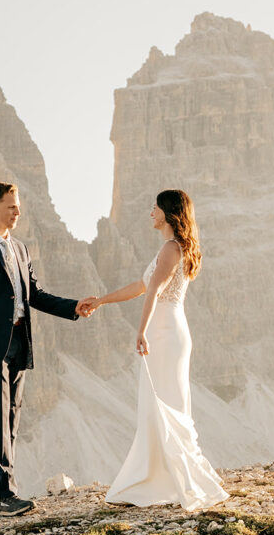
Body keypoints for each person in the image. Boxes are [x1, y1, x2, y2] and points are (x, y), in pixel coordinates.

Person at [81, 189, 229, 512]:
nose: (150, 212)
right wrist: (102, 300)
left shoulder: (171, 249)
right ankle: (165, 480)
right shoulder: (173, 249)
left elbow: (155, 291)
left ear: (167, 212)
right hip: (168, 330)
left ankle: (174, 481)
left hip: (164, 333)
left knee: (166, 405)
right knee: (160, 404)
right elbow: (140, 286)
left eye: (155, 207)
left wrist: (141, 330)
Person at [0, 183, 97, 516]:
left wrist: (73, 306)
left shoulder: (20, 248)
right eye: (11, 207)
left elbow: (35, 294)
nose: (17, 212)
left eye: (17, 206)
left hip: (19, 341)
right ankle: (5, 494)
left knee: (12, 417)